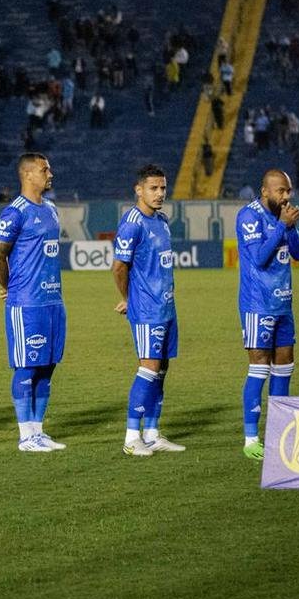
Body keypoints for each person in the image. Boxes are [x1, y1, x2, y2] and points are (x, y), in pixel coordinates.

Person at [0, 153, 67, 452]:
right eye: (44, 169)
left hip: (53, 301)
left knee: (47, 366)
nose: (50, 173)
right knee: (26, 367)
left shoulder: (51, 209)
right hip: (26, 303)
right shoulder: (14, 213)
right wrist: (10, 287)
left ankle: (38, 431)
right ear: (28, 175)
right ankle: (25, 436)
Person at [112, 165, 186, 457]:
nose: (159, 194)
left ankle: (153, 433)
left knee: (162, 369)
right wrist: (128, 297)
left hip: (167, 306)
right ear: (139, 189)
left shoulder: (162, 220)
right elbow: (119, 266)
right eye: (153, 188)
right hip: (147, 309)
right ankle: (132, 437)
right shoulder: (132, 223)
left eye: (163, 188)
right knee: (149, 368)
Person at [236, 170, 299, 460]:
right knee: (259, 368)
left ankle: (278, 433)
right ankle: (251, 439)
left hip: (283, 303)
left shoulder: (284, 216)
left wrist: (289, 228)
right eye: (280, 191)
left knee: (285, 367)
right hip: (257, 304)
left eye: (288, 190)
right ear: (265, 191)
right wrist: (281, 226)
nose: (286, 196)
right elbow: (260, 258)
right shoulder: (248, 216)